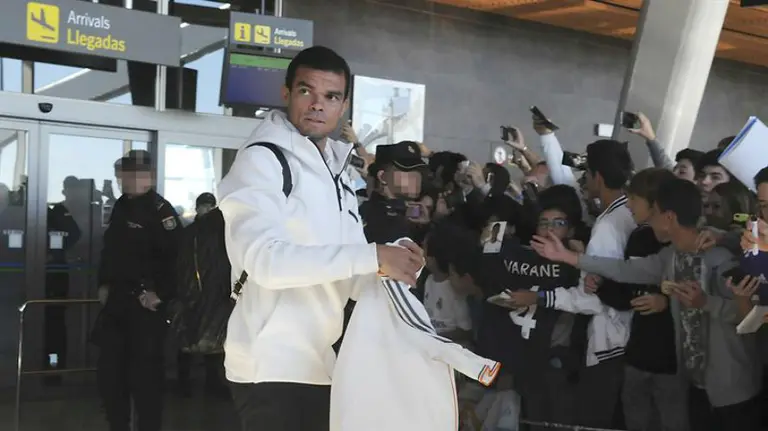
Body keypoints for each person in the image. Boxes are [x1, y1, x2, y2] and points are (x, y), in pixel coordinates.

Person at [216, 46, 423, 431]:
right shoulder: (262, 160)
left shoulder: (337, 168)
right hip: (270, 367)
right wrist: (370, 257)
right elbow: (265, 262)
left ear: (343, 106)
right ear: (286, 94)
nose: (317, 105)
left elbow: (348, 277)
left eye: (330, 96)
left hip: (321, 364)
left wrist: (393, 265)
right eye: (305, 91)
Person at [532, 177, 763, 431]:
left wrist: (705, 302)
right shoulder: (672, 256)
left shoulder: (720, 259)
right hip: (696, 384)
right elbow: (625, 269)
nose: (642, 217)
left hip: (733, 389)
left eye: (653, 212)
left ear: (669, 217)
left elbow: (749, 316)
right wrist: (568, 256)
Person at [95, 150, 184, 431]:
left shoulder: (161, 211)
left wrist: (162, 294)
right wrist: (104, 284)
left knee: (145, 383)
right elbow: (112, 251)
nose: (126, 180)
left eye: (133, 174)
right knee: (110, 377)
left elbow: (178, 261)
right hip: (117, 303)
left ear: (149, 177)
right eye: (123, 174)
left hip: (146, 307)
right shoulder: (121, 206)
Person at [359, 141, 428, 244]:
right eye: (407, 170)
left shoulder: (413, 215)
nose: (416, 176)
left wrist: (424, 228)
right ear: (383, 177)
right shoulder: (372, 216)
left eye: (419, 171)